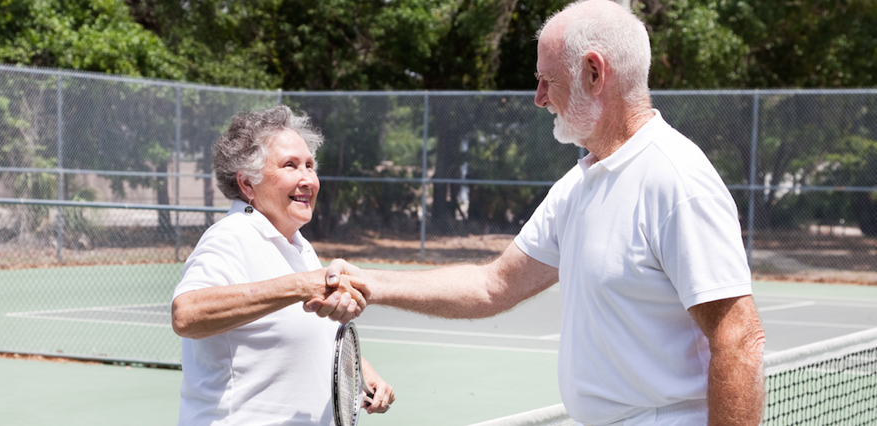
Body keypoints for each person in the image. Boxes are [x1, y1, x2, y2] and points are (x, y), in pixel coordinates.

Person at [308, 1, 765, 424]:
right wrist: (374, 282)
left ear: (593, 72)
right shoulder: (581, 183)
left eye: (548, 79)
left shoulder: (676, 180)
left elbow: (739, 339)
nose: (539, 97)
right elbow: (494, 286)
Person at [171, 105, 394, 425]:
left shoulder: (298, 245)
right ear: (248, 183)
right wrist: (300, 285)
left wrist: (361, 373)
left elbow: (309, 334)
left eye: (309, 166)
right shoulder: (231, 237)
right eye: (290, 166)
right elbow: (187, 315)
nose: (308, 179)